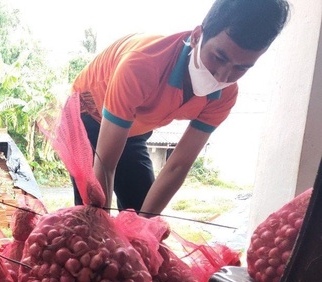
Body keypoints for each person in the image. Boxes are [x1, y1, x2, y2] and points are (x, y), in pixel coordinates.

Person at [71, 0, 290, 215]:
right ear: (196, 37)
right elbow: (106, 163)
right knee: (91, 214)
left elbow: (178, 166)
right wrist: (101, 235)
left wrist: (144, 230)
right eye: (218, 57)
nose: (222, 76)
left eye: (241, 68)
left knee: (140, 212)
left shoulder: (225, 94)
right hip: (88, 115)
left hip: (135, 126)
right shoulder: (142, 65)